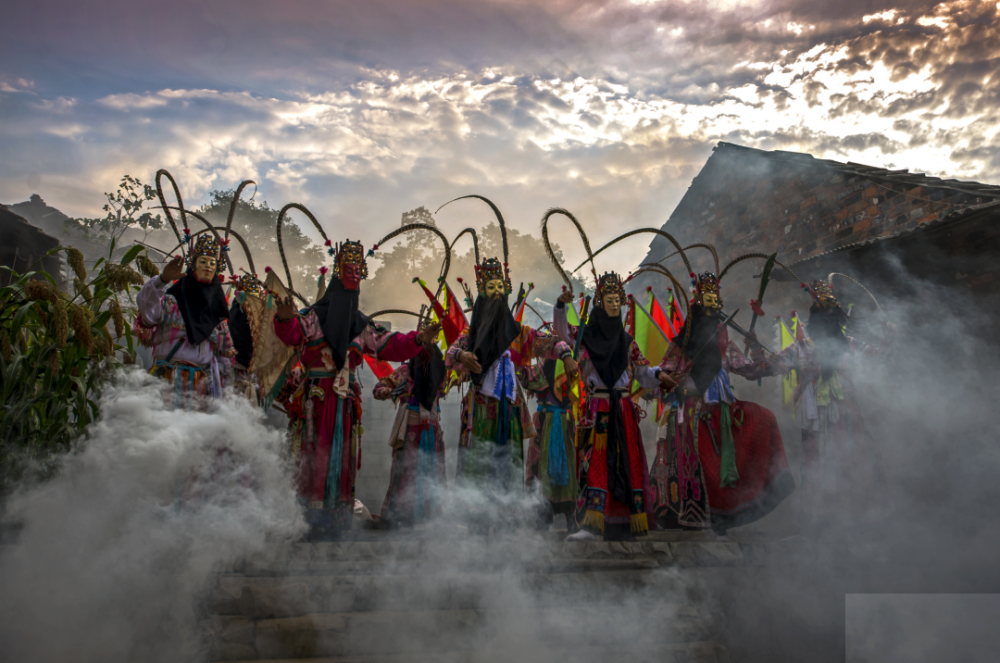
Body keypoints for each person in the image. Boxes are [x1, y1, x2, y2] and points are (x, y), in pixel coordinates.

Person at [272, 239, 441, 537]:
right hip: (317, 401)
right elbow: (291, 333)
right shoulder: (312, 317)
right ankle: (306, 519)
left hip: (345, 405)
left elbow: (388, 344)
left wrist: (418, 339)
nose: (352, 283)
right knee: (312, 455)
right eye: (347, 272)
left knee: (340, 457)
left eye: (357, 274)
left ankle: (336, 519)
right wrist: (284, 318)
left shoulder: (361, 325)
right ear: (337, 275)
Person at [651, 271, 795, 540]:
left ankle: (725, 516)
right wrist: (670, 378)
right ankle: (702, 518)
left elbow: (747, 369)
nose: (714, 302)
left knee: (762, 418)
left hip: (724, 410)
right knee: (703, 464)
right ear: (698, 301)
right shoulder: (682, 344)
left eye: (716, 297)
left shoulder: (724, 342)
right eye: (708, 297)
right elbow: (664, 373)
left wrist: (767, 361)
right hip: (694, 411)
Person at [445, 258, 572, 534]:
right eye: (491, 286)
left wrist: (565, 353)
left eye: (501, 286)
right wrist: (463, 355)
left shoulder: (518, 334)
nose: (497, 292)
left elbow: (549, 341)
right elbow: (450, 353)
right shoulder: (471, 334)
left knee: (510, 461)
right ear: (481, 292)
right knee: (479, 463)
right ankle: (478, 522)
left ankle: (506, 521)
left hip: (510, 410)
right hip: (480, 409)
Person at [551, 272, 675, 542]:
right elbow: (561, 333)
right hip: (598, 408)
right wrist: (560, 306)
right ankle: (592, 524)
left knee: (627, 464)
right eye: (610, 300)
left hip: (624, 409)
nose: (615, 304)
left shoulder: (627, 341)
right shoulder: (584, 336)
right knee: (595, 462)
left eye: (618, 300)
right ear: (599, 302)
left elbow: (643, 373)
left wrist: (659, 376)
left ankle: (628, 521)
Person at [783, 277, 894, 535]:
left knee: (853, 460)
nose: (832, 319)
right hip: (816, 418)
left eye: (835, 313)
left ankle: (854, 519)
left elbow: (878, 356)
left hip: (848, 415)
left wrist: (889, 337)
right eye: (826, 314)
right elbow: (767, 365)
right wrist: (755, 350)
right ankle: (819, 520)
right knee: (817, 463)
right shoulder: (802, 348)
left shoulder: (851, 344)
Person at [135, 233, 235, 409]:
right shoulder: (171, 300)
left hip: (202, 384)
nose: (208, 267)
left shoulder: (217, 313)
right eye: (203, 261)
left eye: (213, 263)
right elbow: (147, 314)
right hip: (167, 378)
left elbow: (225, 357)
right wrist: (162, 280)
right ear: (193, 266)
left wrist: (225, 392)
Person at [372, 322, 449, 528]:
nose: (427, 345)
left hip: (432, 429)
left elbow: (452, 379)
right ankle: (401, 518)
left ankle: (431, 519)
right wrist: (386, 392)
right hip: (410, 430)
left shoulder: (441, 372)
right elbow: (379, 386)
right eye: (424, 339)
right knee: (405, 473)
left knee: (433, 473)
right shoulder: (405, 370)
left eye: (431, 340)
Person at [521, 304, 579, 531]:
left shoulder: (572, 362)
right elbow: (528, 380)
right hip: (544, 421)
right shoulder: (538, 368)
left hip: (563, 421)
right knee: (539, 468)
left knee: (569, 467)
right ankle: (542, 516)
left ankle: (570, 517)